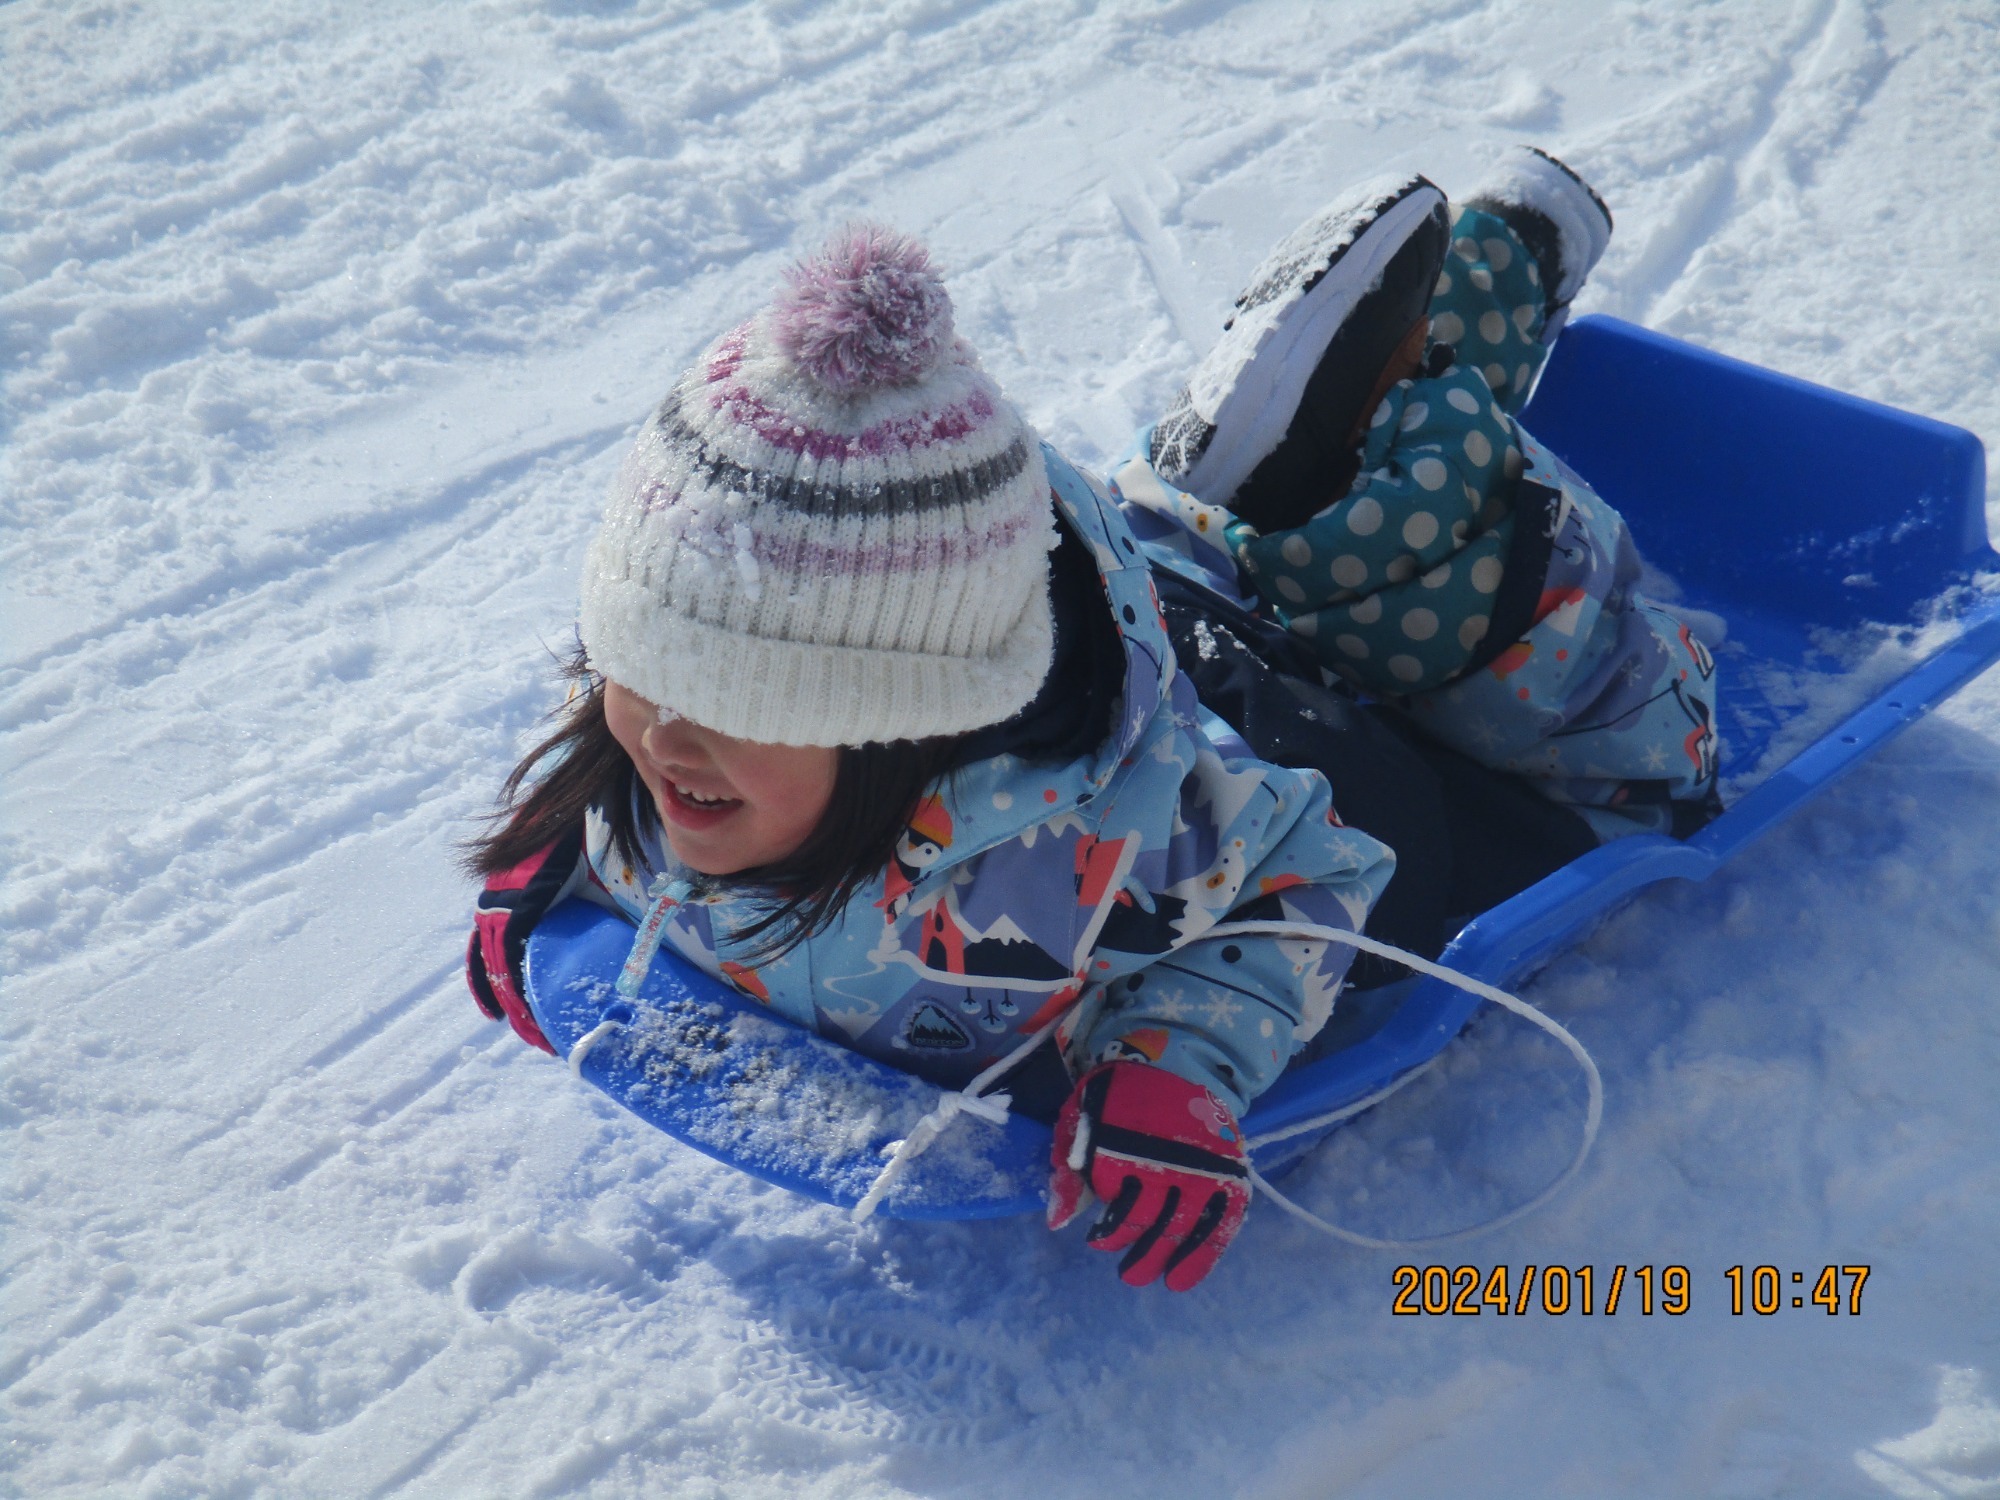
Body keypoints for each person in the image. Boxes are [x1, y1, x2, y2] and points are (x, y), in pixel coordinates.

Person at [463, 148, 1720, 1293]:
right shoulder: (676, 762)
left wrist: (1175, 1056)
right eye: (640, 671)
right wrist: (552, 851)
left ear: (894, 723)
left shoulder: (1086, 858)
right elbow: (621, 723)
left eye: (733, 706)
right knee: (1267, 551)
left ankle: (1436, 434)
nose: (663, 740)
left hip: (1334, 781)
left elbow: (1310, 875)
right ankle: (1324, 435)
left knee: (1578, 723)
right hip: (1117, 625)